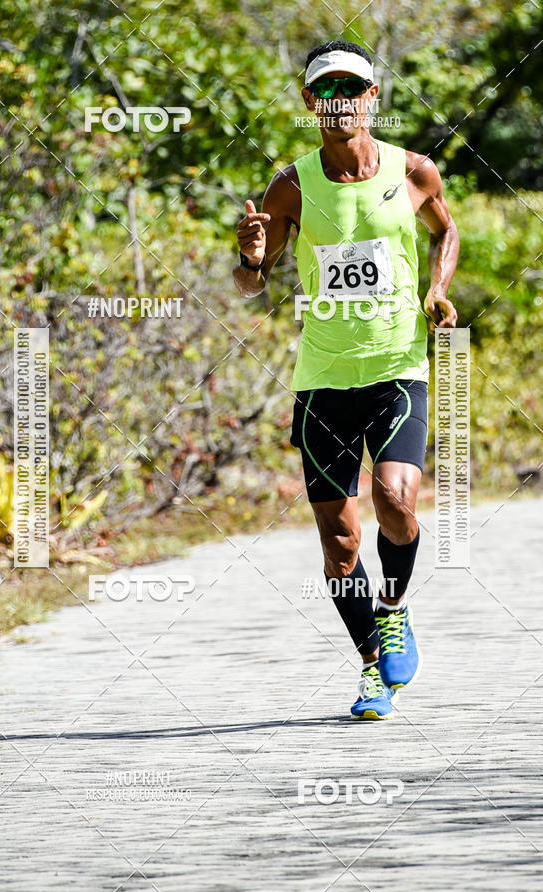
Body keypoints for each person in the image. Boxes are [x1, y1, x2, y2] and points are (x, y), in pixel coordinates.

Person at [233, 40, 459, 719]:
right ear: (310, 103)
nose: (339, 101)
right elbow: (250, 284)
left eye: (351, 88)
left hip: (397, 366)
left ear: (372, 97)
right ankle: (370, 668)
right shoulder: (291, 185)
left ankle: (392, 608)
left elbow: (446, 233)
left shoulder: (415, 170)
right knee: (340, 542)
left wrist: (438, 290)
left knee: (395, 499)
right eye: (325, 90)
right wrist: (247, 257)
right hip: (323, 378)